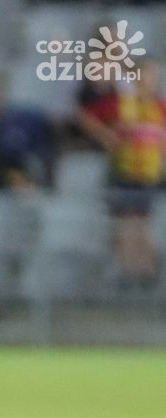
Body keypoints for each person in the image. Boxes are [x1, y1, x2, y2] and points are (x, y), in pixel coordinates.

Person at [79, 61, 166, 285]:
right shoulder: (120, 104)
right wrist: (106, 136)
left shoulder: (159, 107)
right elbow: (86, 116)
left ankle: (146, 271)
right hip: (124, 172)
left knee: (143, 224)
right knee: (125, 223)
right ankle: (128, 270)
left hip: (149, 175)